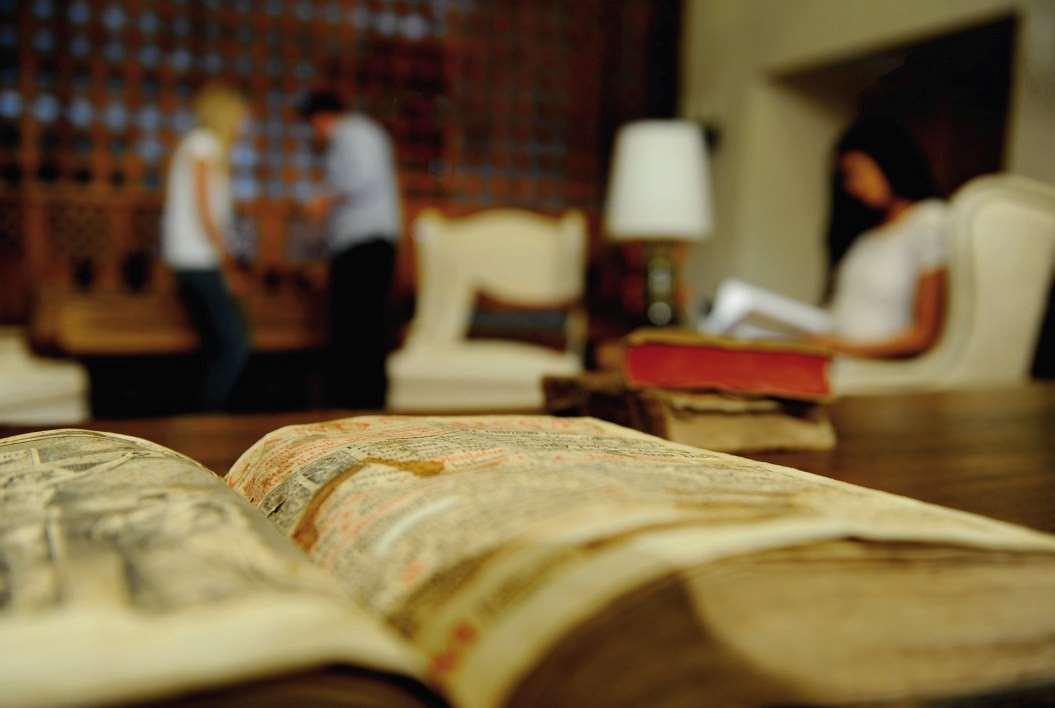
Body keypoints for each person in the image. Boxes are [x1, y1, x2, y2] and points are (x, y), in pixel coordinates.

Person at [703, 117, 948, 359]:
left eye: (856, 172)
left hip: (866, 364)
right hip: (832, 352)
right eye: (846, 178)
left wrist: (842, 347)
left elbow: (923, 334)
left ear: (888, 161)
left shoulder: (928, 220)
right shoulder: (864, 237)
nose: (853, 187)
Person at [299, 90, 401, 409]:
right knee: (360, 326)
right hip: (363, 246)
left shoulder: (352, 134)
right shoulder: (361, 134)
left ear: (321, 118)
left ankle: (361, 404)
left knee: (360, 329)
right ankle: (360, 402)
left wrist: (323, 199)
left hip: (364, 246)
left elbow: (359, 179)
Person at [162, 83, 252, 410]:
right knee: (233, 346)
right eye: (241, 118)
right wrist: (227, 263)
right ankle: (208, 415)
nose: (243, 126)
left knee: (218, 344)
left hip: (191, 258)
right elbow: (205, 209)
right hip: (198, 258)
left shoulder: (195, 145)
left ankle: (205, 414)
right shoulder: (204, 144)